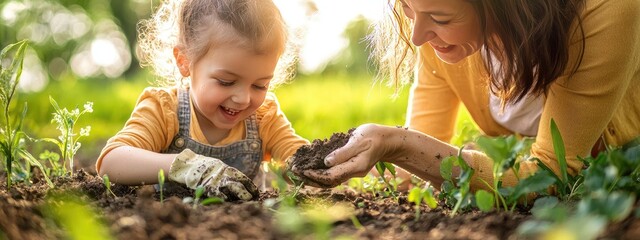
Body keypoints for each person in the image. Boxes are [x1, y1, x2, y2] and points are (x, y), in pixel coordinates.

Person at [292, 0, 640, 191]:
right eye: (408, 9)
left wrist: (400, 145)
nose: (416, 36)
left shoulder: (606, 9)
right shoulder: (430, 23)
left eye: (441, 18)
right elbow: (416, 167)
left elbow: (552, 174)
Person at [96, 0, 308, 201]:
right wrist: (185, 167)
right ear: (184, 61)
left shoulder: (264, 118)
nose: (243, 99)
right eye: (226, 81)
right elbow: (112, 162)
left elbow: (298, 159)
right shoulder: (165, 109)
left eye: (259, 85)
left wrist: (323, 164)